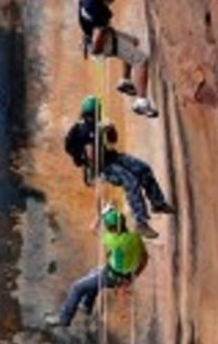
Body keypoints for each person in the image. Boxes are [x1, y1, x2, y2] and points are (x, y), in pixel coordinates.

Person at [65, 96, 176, 238]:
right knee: (131, 181)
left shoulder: (95, 124)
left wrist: (110, 129)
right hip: (101, 167)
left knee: (143, 168)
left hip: (111, 157)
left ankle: (157, 203)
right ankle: (141, 222)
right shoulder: (84, 129)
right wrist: (96, 138)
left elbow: (113, 140)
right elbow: (91, 156)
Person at [45, 206, 147, 327]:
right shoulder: (136, 238)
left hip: (111, 276)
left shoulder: (112, 240)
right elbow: (144, 259)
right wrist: (133, 277)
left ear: (111, 229)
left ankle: (64, 319)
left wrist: (100, 215)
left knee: (77, 287)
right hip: (124, 275)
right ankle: (87, 305)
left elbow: (93, 228)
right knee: (93, 273)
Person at [78, 0, 159, 118]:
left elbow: (84, 20)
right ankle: (141, 102)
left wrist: (84, 37)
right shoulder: (99, 10)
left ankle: (125, 81)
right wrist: (97, 52)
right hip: (102, 42)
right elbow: (98, 34)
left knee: (133, 41)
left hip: (97, 36)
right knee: (141, 60)